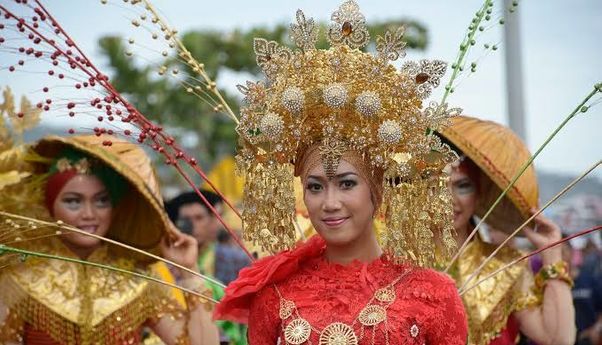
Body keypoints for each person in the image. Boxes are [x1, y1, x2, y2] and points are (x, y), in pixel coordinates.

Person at [215, 2, 468, 343]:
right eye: (315, 187)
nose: (329, 203)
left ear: (377, 188)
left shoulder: (433, 294)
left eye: (347, 183)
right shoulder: (275, 295)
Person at [0, 134, 219, 344]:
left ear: (114, 208)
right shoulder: (19, 280)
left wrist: (190, 271)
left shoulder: (139, 279)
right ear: (51, 208)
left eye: (101, 201)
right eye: (73, 201)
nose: (89, 214)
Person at [439, 115, 576, 345]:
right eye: (437, 186)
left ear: (480, 194)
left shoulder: (507, 265)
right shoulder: (398, 263)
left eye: (463, 186)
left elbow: (558, 339)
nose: (449, 200)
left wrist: (551, 254)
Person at [166, 191, 249, 345]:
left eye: (199, 218)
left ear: (213, 220)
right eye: (186, 220)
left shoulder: (237, 259)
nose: (193, 225)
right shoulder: (168, 266)